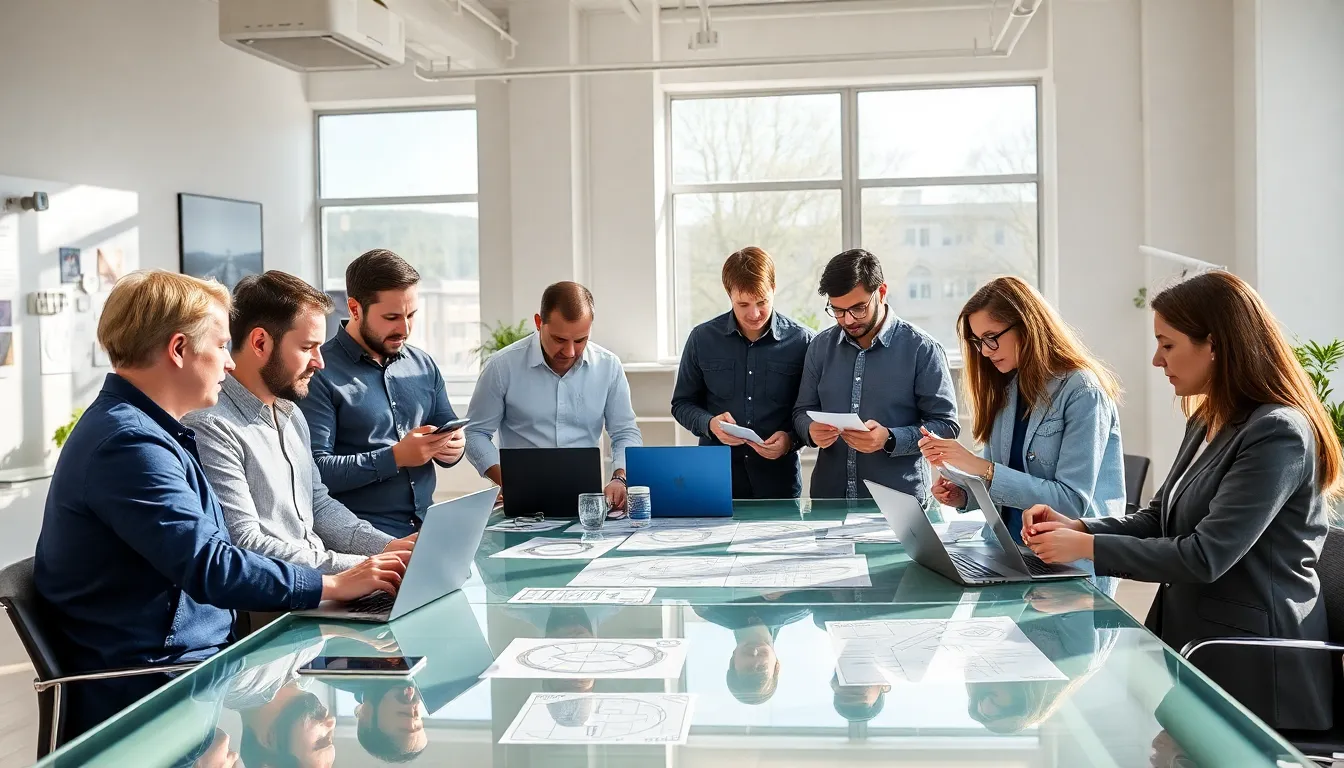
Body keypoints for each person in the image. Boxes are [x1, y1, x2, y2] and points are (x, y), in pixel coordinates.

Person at [32, 270, 409, 738]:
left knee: (387, 656)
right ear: (178, 350)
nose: (229, 365)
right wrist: (332, 584)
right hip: (158, 687)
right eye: (218, 346)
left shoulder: (157, 432)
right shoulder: (128, 444)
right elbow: (212, 564)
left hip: (207, 663)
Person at [1022, 270, 1344, 732]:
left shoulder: (1277, 431)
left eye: (1167, 344)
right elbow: (1161, 517)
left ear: (1214, 344)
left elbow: (1205, 556)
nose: (1157, 360)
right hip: (1197, 649)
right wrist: (1080, 528)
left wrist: (1087, 550)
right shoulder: (1208, 418)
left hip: (1255, 669)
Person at [184, 271, 417, 576]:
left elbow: (319, 507)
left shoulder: (292, 415)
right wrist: (363, 568)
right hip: (277, 605)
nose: (320, 362)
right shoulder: (210, 426)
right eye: (307, 348)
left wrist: (390, 548)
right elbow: (245, 543)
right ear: (260, 342)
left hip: (324, 587)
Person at [919, 276, 1126, 544]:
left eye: (991, 338)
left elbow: (1071, 504)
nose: (984, 352)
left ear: (1027, 326)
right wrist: (963, 494)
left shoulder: (1082, 391)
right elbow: (1004, 486)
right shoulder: (1008, 388)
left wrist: (980, 466)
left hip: (1068, 562)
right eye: (979, 341)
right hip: (1008, 550)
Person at [299, 249, 467, 538]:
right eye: (391, 317)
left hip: (429, 530)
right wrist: (396, 457)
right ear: (354, 309)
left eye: (411, 315)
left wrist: (454, 447)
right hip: (361, 539)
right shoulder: (318, 372)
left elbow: (447, 429)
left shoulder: (423, 365)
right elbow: (315, 473)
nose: (404, 329)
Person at [793, 249, 960, 502]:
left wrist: (890, 438)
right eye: (837, 310)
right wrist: (810, 430)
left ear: (881, 292)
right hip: (828, 502)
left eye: (858, 308)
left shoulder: (922, 349)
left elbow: (946, 426)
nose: (848, 320)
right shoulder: (819, 347)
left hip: (901, 506)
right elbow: (801, 411)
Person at [465, 282, 642, 511]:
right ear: (539, 323)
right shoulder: (502, 367)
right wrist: (507, 480)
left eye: (580, 340)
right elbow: (475, 433)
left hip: (586, 503)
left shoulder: (608, 367)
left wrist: (620, 478)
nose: (569, 352)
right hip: (522, 504)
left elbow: (625, 431)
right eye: (559, 339)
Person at [672, 247, 814, 499]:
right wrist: (710, 424)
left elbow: (811, 410)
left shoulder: (802, 342)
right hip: (714, 481)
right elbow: (682, 404)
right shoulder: (702, 339)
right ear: (729, 294)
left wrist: (791, 441)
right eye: (743, 304)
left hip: (778, 484)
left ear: (774, 288)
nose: (754, 314)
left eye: (762, 302)